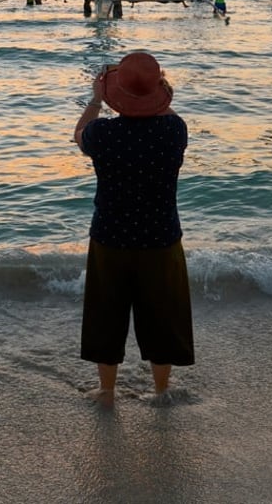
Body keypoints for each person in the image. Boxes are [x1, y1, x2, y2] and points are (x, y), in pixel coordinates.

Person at [74, 52, 194, 407]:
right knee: (162, 314)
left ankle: (107, 391)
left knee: (106, 313)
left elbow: (78, 133)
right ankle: (160, 390)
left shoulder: (102, 134)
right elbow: (165, 111)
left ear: (116, 96)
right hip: (162, 238)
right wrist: (158, 95)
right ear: (159, 94)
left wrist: (97, 98)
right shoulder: (175, 130)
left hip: (111, 236)